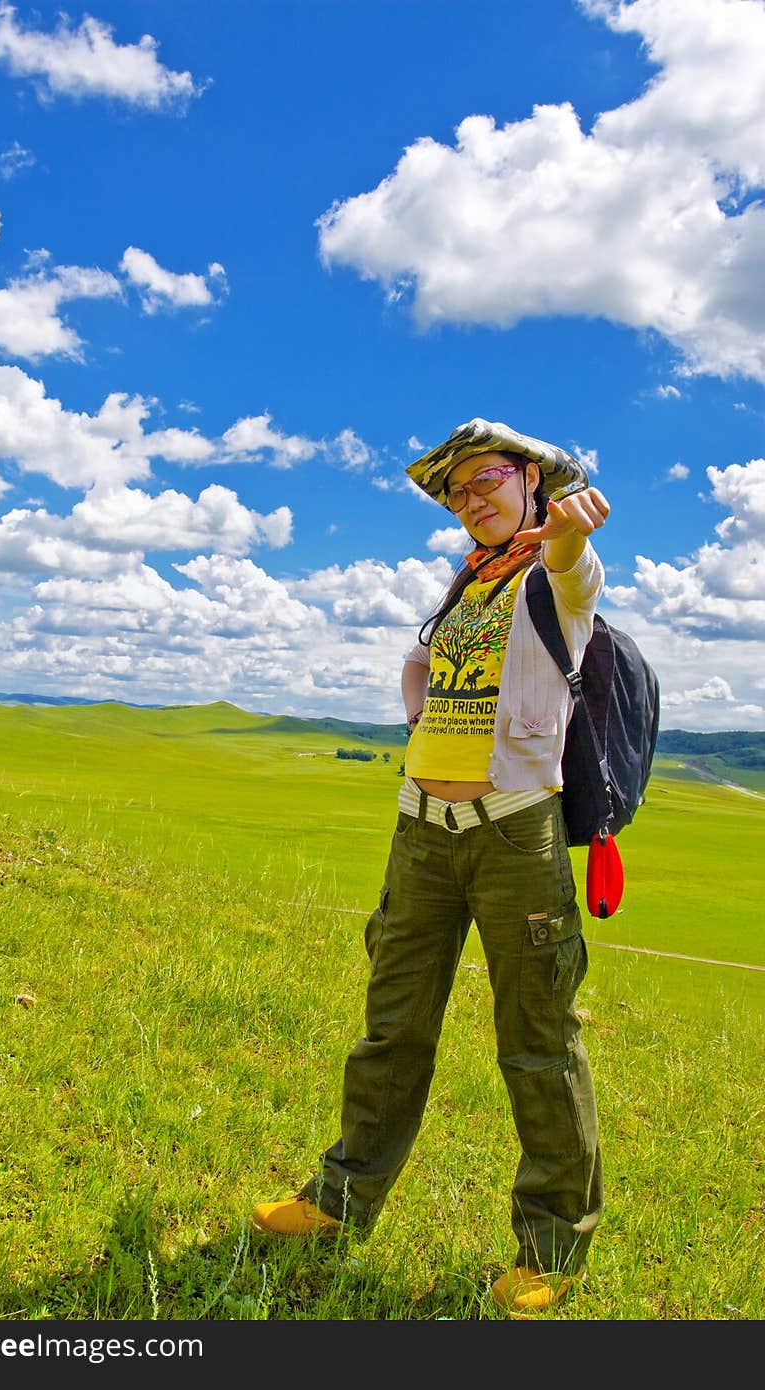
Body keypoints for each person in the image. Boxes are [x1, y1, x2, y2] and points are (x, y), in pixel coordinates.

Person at [251, 416, 610, 1317]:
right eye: (457, 492)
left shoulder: (552, 578)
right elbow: (415, 666)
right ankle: (338, 1203)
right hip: (422, 829)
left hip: (514, 834)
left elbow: (577, 562)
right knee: (391, 1027)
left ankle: (552, 1250)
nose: (471, 498)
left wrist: (568, 531)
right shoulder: (464, 587)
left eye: (487, 479)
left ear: (530, 480)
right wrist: (420, 727)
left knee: (537, 1042)